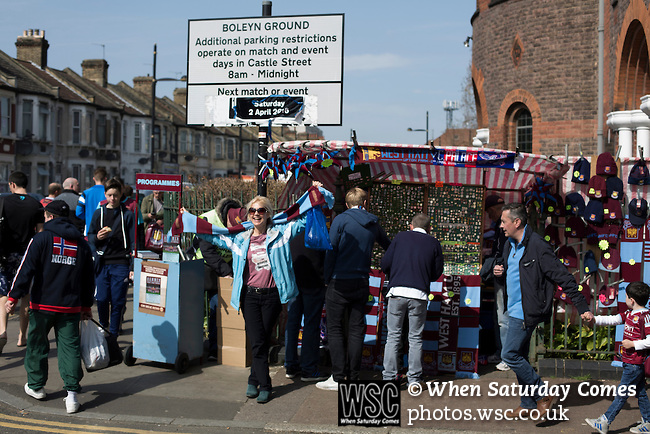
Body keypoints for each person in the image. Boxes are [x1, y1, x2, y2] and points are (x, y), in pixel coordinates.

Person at [190, 181, 333, 404]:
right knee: (257, 342)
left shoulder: (281, 234)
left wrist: (316, 191)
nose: (257, 214)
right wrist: (189, 222)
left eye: (261, 210)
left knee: (262, 340)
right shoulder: (240, 239)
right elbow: (213, 236)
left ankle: (252, 379)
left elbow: (306, 218)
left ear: (268, 214)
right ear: (248, 215)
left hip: (272, 297)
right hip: (250, 296)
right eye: (253, 210)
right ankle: (265, 385)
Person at [493, 203, 593, 418]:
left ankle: (542, 394)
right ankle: (528, 403)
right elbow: (507, 268)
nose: (501, 225)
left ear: (517, 222)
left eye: (504, 221)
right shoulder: (508, 243)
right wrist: (498, 271)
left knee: (509, 354)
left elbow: (562, 276)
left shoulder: (538, 246)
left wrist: (582, 306)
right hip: (512, 309)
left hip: (525, 311)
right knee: (519, 355)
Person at [5, 200, 94, 414]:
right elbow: (89, 278)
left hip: (43, 304)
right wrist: (86, 305)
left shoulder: (41, 239)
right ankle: (71, 395)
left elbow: (25, 270)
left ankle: (36, 387)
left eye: (45, 215)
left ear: (50, 217)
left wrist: (13, 297)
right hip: (71, 307)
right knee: (69, 349)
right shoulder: (81, 243)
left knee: (37, 345)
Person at [316, 187, 391, 391]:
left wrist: (327, 276)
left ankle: (338, 376)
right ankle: (354, 376)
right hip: (361, 281)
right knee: (357, 329)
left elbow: (331, 250)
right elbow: (388, 247)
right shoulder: (373, 223)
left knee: (335, 328)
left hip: (339, 280)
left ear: (347, 204)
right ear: (365, 203)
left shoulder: (340, 220)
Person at [381, 213, 443, 385]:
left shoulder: (400, 237)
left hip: (396, 292)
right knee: (415, 337)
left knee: (393, 336)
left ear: (411, 225)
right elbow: (437, 272)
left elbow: (384, 263)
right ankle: (414, 379)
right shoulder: (433, 243)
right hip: (419, 294)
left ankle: (388, 377)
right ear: (429, 228)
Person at [585, 281, 650, 434]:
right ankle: (647, 423)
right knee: (640, 393)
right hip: (630, 363)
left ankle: (605, 421)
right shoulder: (628, 314)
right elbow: (613, 319)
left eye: (626, 296)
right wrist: (594, 319)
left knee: (621, 394)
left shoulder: (645, 317)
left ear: (631, 299)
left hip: (634, 364)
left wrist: (633, 344)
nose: (625, 299)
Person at [0, 171, 45, 353]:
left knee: (3, 293)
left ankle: (2, 331)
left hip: (5, 255)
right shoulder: (36, 205)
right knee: (25, 296)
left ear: (12, 184)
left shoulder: (3, 202)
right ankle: (22, 336)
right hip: (26, 255)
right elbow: (40, 234)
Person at [88, 179, 135, 337]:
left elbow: (133, 241)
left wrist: (132, 267)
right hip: (102, 262)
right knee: (101, 299)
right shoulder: (98, 213)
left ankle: (113, 334)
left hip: (120, 262)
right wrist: (97, 238)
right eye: (109, 195)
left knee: (118, 301)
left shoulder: (127, 215)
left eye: (116, 195)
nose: (113, 199)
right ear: (105, 194)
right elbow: (90, 236)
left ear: (121, 194)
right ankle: (104, 327)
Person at [284, 230, 329, 382]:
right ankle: (308, 368)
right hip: (314, 284)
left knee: (292, 323)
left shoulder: (291, 231)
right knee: (311, 325)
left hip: (295, 283)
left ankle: (290, 364)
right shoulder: (319, 233)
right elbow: (325, 258)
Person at [483, 194, 510, 371]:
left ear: (493, 210)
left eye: (489, 213)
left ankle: (506, 356)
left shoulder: (505, 227)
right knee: (499, 315)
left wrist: (499, 264)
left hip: (505, 276)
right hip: (502, 275)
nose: (489, 218)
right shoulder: (502, 227)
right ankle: (501, 352)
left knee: (503, 317)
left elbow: (505, 251)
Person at [76, 168, 107, 235]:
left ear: (93, 179)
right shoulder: (109, 193)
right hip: (105, 230)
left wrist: (87, 217)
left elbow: (78, 212)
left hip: (90, 229)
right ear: (105, 178)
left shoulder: (85, 193)